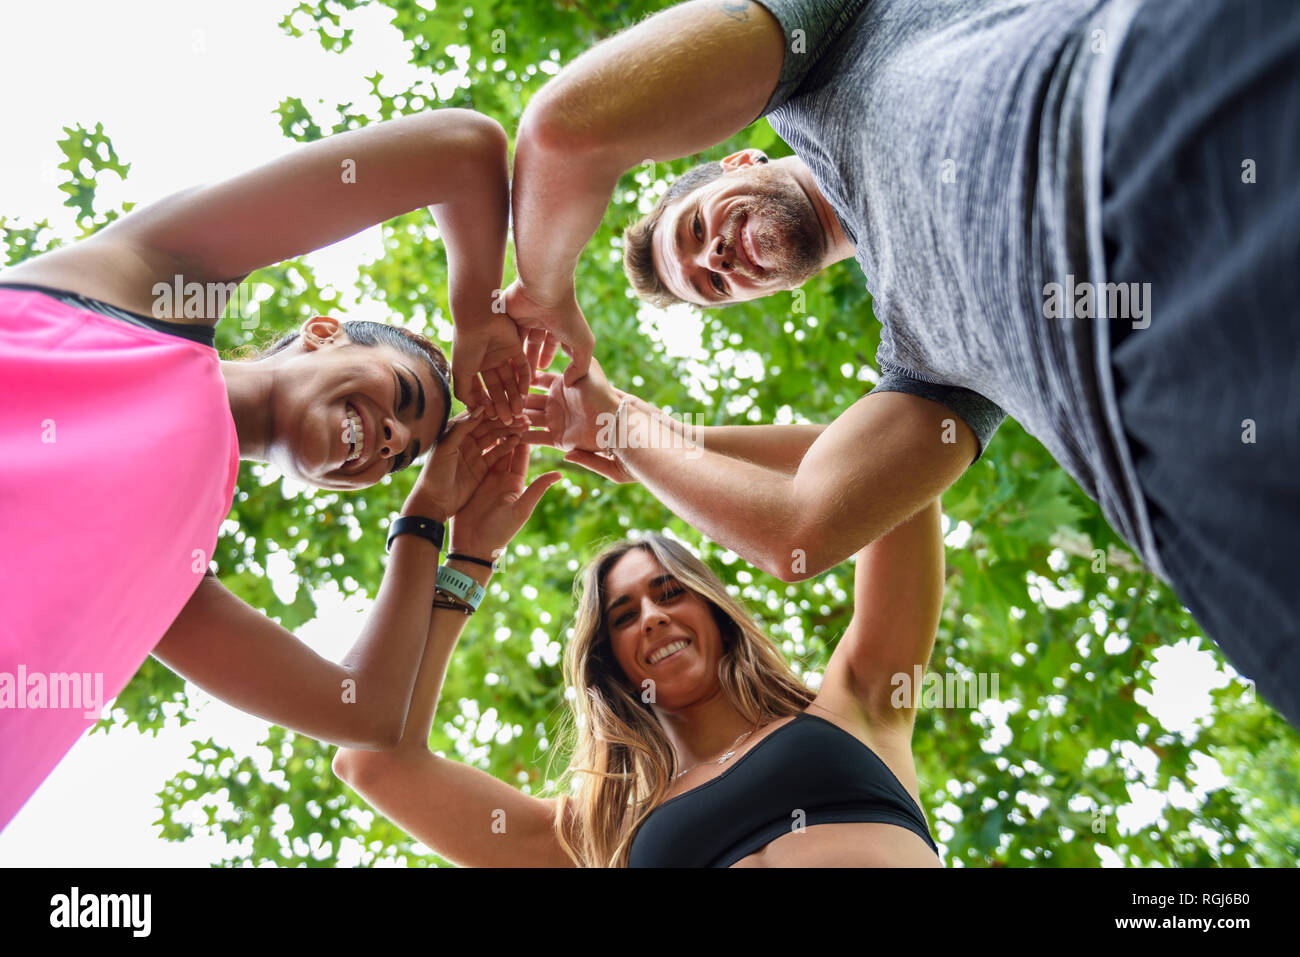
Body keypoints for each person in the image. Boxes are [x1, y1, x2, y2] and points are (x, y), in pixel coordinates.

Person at [495, 0, 1300, 726]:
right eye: (711, 282)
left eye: (696, 228)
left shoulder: (826, 47)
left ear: (739, 164)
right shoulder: (920, 361)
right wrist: (626, 428)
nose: (718, 255)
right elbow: (799, 532)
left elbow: (570, 128)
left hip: (1171, 112)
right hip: (1200, 476)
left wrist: (542, 292)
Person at [0, 108, 551, 832]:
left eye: (401, 457)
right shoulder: (149, 284)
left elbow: (367, 710)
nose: (388, 440)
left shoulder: (172, 569)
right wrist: (477, 315)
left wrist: (432, 521)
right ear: (324, 333)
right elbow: (464, 151)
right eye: (403, 398)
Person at [334, 433, 947, 867]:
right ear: (608, 665)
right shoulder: (594, 832)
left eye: (669, 593)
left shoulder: (857, 704)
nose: (652, 617)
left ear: (716, 612)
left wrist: (655, 447)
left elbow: (885, 462)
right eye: (624, 616)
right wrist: (464, 559)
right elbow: (374, 763)